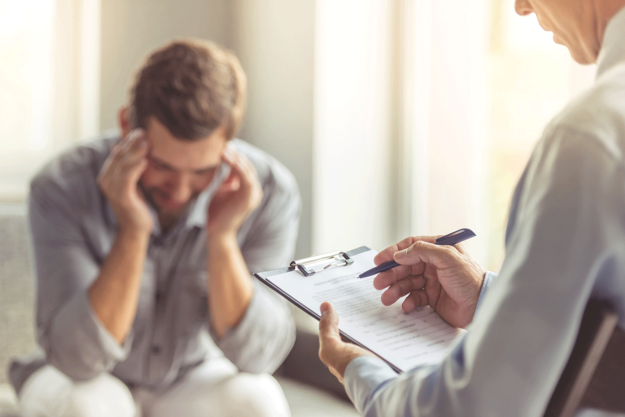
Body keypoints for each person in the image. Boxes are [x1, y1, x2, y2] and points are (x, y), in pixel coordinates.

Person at [318, 0, 625, 415]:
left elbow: (475, 408)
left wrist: (360, 372)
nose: (519, 7)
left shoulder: (591, 137)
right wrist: (487, 297)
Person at [9, 39, 300, 417]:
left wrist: (222, 239)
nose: (180, 191)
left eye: (201, 171)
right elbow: (77, 361)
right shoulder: (61, 186)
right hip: (74, 379)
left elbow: (259, 357)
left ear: (228, 142)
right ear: (128, 126)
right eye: (162, 166)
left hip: (190, 374)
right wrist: (132, 229)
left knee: (259, 401)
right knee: (87, 408)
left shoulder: (270, 191)